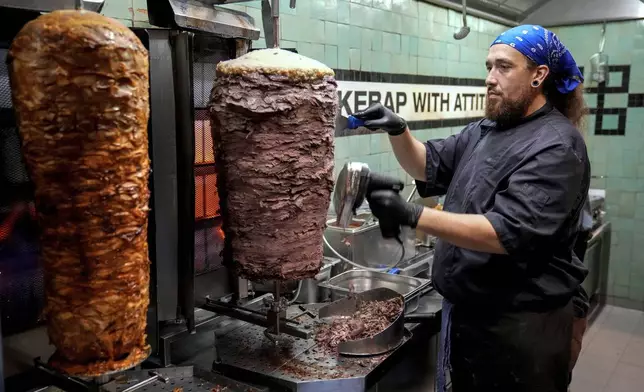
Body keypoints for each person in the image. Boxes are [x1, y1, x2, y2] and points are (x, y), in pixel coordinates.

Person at [352, 25, 590, 392]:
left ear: (539, 75)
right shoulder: (486, 130)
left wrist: (413, 215)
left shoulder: (557, 146)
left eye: (504, 67)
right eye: (489, 66)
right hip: (471, 316)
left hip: (520, 328)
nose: (490, 78)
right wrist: (399, 130)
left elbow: (505, 232)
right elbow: (425, 165)